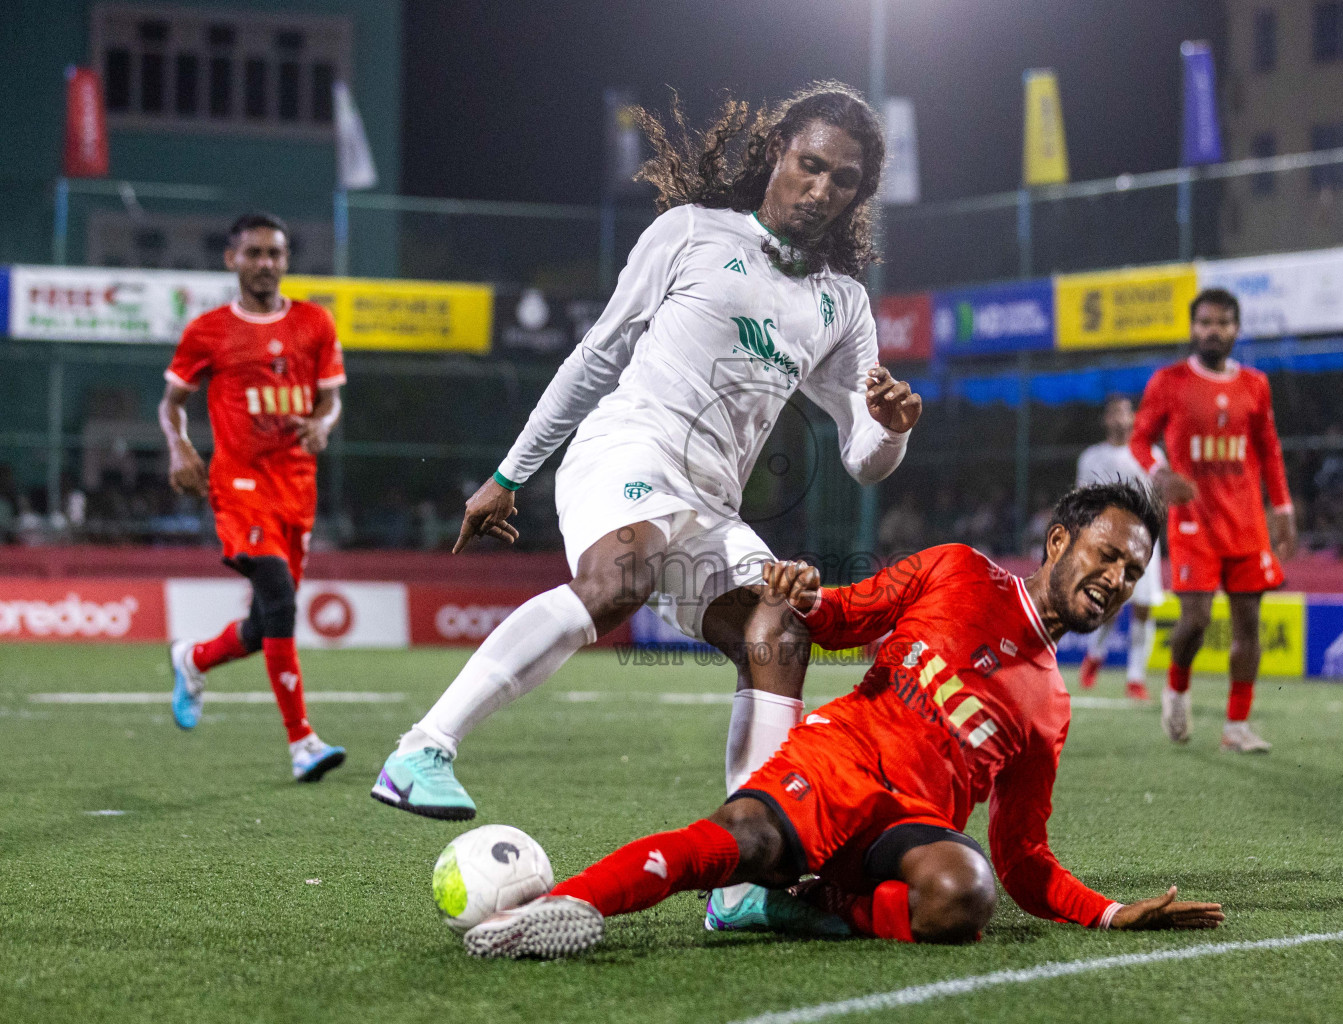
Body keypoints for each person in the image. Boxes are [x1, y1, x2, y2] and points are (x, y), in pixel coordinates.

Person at [373, 83, 922, 825]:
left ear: (861, 194)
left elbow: (863, 458)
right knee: (620, 578)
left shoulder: (843, 303)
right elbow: (597, 355)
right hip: (626, 452)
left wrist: (890, 427)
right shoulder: (692, 232)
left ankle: (746, 870)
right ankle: (422, 749)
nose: (821, 189)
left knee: (778, 631)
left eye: (844, 180)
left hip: (708, 508)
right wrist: (509, 474)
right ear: (774, 154)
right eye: (809, 164)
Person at [457, 482, 1224, 959]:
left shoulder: (1051, 706)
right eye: (1107, 554)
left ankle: (815, 905)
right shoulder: (957, 569)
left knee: (967, 893)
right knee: (736, 844)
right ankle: (560, 908)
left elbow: (1023, 855)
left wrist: (1111, 912)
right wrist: (802, 594)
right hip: (836, 765)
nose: (1117, 579)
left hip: (909, 826)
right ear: (1061, 540)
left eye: (1132, 571)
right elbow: (839, 618)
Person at [159, 212, 347, 782]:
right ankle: (303, 743)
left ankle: (192, 659)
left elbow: (331, 400)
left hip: (297, 487)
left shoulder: (315, 323)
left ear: (286, 261)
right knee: (278, 595)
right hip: (239, 486)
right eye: (254, 253)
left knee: (268, 621)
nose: (266, 263)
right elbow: (171, 403)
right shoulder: (209, 330)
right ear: (231, 259)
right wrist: (179, 449)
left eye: (275, 254)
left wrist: (323, 426)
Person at [1129, 288, 1296, 754]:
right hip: (1192, 522)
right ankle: (1176, 690)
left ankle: (1236, 727)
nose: (1213, 331)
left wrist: (1283, 512)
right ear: (1192, 328)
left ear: (1236, 330)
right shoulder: (1169, 381)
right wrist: (1159, 472)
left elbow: (1270, 451)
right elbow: (1140, 439)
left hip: (1246, 525)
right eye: (1204, 322)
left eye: (1222, 323)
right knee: (1196, 620)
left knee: (1249, 624)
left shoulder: (1255, 385)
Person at [1074, 393, 1164, 700]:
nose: (1120, 419)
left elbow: (1160, 499)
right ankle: (1095, 656)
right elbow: (1082, 501)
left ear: (1134, 417)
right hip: (1108, 544)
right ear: (1105, 420)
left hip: (1144, 543)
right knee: (1108, 605)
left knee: (1143, 609)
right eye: (1113, 413)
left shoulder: (1151, 454)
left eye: (1125, 412)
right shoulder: (1091, 457)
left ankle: (1136, 678)